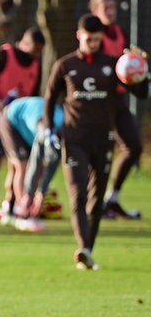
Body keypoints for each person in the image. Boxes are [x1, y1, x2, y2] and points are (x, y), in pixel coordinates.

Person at [43, 14, 148, 270]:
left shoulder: (113, 65)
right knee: (78, 195)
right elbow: (49, 98)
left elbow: (141, 93)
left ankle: (88, 248)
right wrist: (49, 130)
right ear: (79, 35)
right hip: (74, 139)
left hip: (103, 139)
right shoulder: (65, 65)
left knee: (97, 197)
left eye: (97, 40)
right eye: (88, 39)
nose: (92, 43)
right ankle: (83, 248)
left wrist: (140, 69)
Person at [0, 27, 45, 226]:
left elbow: (33, 93)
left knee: (17, 165)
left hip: (18, 121)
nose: (35, 55)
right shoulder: (4, 54)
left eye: (38, 52)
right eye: (34, 50)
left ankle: (10, 206)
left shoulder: (35, 64)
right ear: (24, 43)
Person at [89, 0, 142, 219]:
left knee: (134, 147)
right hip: (99, 102)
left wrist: (137, 66)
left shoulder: (119, 32)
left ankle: (113, 198)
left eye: (112, 7)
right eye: (105, 8)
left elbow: (125, 62)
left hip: (117, 102)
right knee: (101, 153)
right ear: (95, 11)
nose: (110, 11)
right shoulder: (94, 37)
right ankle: (94, 203)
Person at [0, 96, 64, 232]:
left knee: (36, 169)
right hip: (9, 121)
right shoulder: (42, 131)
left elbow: (52, 164)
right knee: (22, 166)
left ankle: (11, 207)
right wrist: (30, 195)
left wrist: (41, 193)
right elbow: (36, 162)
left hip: (26, 124)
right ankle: (23, 213)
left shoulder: (64, 129)